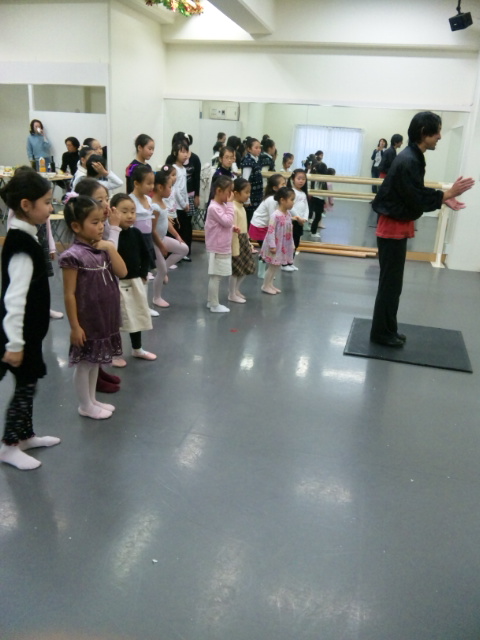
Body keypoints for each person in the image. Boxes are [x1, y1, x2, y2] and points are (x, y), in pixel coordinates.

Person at [370, 111, 475, 347]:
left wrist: (443, 198)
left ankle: (388, 329)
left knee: (393, 285)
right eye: (437, 132)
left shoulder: (413, 156)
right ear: (423, 132)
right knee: (390, 284)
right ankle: (381, 334)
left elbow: (414, 191)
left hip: (396, 224)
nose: (440, 137)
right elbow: (415, 196)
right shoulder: (409, 159)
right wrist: (446, 194)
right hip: (392, 227)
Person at [0, 172, 61, 470]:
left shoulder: (27, 235)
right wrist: (14, 343)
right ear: (26, 205)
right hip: (19, 335)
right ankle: (9, 446)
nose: (51, 208)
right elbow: (13, 299)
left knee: (29, 383)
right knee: (24, 388)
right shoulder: (21, 245)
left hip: (30, 333)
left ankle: (25, 436)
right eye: (47, 203)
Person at [59, 195, 127, 419]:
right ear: (76, 226)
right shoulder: (72, 256)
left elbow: (122, 272)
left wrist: (110, 247)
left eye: (102, 222)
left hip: (104, 317)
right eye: (95, 222)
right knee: (85, 363)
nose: (100, 227)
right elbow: (69, 294)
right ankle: (85, 404)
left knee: (95, 362)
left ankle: (92, 399)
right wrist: (75, 326)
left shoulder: (102, 249)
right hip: (87, 319)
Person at [73, 178, 124, 393]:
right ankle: (95, 377)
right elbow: (110, 253)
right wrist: (115, 228)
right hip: (92, 292)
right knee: (93, 336)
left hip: (105, 287)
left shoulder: (100, 224)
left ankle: (100, 370)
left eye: (106, 198)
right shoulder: (88, 231)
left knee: (104, 332)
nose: (105, 204)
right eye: (99, 200)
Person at [109, 193, 157, 365]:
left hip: (135, 281)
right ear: (113, 212)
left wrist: (143, 274)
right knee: (117, 319)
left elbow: (146, 254)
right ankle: (115, 353)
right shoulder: (110, 236)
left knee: (136, 315)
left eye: (133, 211)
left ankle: (137, 348)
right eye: (124, 212)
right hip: (116, 283)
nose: (130, 215)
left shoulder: (136, 233)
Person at [151, 169, 188, 308]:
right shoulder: (155, 206)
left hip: (162, 238)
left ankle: (163, 269)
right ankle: (156, 297)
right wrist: (161, 246)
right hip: (155, 242)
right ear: (160, 187)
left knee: (184, 249)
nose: (171, 190)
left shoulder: (162, 203)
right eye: (169, 187)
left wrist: (177, 235)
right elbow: (152, 230)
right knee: (161, 271)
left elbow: (166, 222)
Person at [205, 176, 239, 313]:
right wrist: (231, 205)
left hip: (222, 246)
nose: (231, 195)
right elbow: (227, 221)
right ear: (219, 191)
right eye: (228, 192)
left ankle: (211, 301)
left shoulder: (222, 206)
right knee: (216, 276)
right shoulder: (214, 208)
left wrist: (232, 228)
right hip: (216, 247)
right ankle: (214, 304)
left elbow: (224, 224)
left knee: (217, 276)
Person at [128, 165, 159, 316]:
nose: (152, 186)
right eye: (148, 183)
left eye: (153, 183)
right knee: (136, 275)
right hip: (135, 241)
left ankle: (144, 306)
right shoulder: (130, 200)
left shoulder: (148, 199)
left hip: (147, 240)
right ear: (136, 183)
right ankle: (136, 306)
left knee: (145, 273)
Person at [260, 187, 295, 295]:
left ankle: (270, 284)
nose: (293, 202)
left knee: (276, 266)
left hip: (282, 245)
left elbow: (289, 230)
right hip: (275, 245)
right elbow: (270, 231)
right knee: (272, 267)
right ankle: (265, 285)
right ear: (282, 200)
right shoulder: (275, 215)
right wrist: (272, 245)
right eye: (291, 199)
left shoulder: (288, 214)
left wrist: (291, 243)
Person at [230, 177, 255, 303]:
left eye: (249, 192)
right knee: (236, 270)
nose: (248, 195)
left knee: (246, 267)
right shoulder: (233, 208)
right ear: (236, 193)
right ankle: (231, 293)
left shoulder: (241, 207)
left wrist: (248, 242)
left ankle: (236, 289)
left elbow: (244, 227)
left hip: (243, 240)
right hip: (236, 241)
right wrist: (235, 248)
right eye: (246, 192)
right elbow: (233, 231)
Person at [167, 141, 191, 259]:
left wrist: (187, 202)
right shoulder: (174, 169)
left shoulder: (184, 169)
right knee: (179, 229)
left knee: (186, 229)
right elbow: (175, 189)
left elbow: (184, 188)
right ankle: (177, 252)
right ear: (175, 153)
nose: (185, 155)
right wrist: (182, 203)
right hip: (177, 205)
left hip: (184, 204)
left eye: (186, 152)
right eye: (182, 152)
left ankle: (183, 251)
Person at [248, 174, 286, 248]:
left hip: (265, 226)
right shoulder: (272, 200)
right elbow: (273, 217)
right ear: (275, 188)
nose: (285, 186)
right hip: (260, 227)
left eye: (285, 183)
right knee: (268, 248)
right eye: (283, 184)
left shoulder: (277, 198)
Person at [285, 169, 309, 271]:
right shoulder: (291, 192)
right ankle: (284, 264)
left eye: (303, 179)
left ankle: (290, 262)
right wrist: (299, 217)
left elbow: (306, 207)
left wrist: (305, 218)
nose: (301, 181)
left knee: (296, 242)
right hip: (292, 221)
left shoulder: (303, 193)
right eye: (299, 178)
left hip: (300, 222)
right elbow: (291, 208)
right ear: (293, 179)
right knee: (289, 243)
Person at [240, 137, 263, 225]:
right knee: (249, 219)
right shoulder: (248, 161)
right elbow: (245, 180)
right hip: (251, 196)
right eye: (256, 148)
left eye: (259, 147)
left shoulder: (256, 159)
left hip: (256, 195)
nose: (259, 150)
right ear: (249, 149)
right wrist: (247, 198)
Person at [310, 161, 328, 237]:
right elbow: (325, 193)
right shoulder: (323, 180)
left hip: (314, 198)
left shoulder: (315, 177)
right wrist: (326, 201)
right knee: (318, 217)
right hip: (319, 200)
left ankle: (313, 231)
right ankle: (313, 232)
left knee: (317, 217)